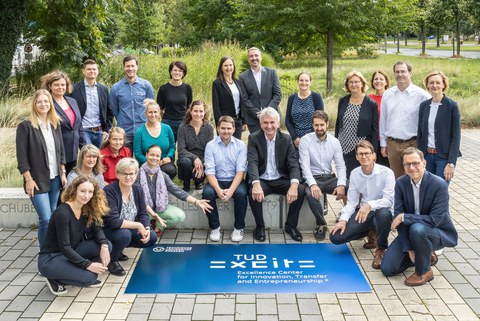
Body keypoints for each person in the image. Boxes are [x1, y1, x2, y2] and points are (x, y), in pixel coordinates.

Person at [381, 147, 458, 286]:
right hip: (411, 233)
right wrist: (409, 248)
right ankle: (424, 252)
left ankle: (424, 271)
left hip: (436, 232)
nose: (412, 167)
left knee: (418, 229)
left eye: (415, 163)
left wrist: (405, 217)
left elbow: (434, 220)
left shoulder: (439, 185)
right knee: (388, 269)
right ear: (403, 166)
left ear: (424, 163)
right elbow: (400, 219)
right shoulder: (401, 183)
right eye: (407, 164)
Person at [38, 175, 111, 295]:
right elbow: (64, 247)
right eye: (82, 191)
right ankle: (53, 277)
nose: (86, 196)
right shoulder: (62, 213)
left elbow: (97, 230)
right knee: (89, 278)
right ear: (74, 190)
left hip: (72, 251)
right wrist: (88, 265)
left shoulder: (86, 208)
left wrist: (104, 245)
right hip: (51, 258)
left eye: (90, 192)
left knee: (107, 245)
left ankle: (73, 271)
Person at [330, 140, 395, 269]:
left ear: (374, 156)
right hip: (365, 214)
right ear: (356, 157)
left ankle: (381, 249)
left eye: (367, 153)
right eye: (360, 154)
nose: (364, 156)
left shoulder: (387, 172)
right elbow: (352, 202)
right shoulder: (355, 173)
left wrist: (369, 205)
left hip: (383, 212)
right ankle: (370, 232)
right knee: (335, 238)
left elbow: (389, 200)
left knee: (382, 214)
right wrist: (343, 220)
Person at [16, 90, 67, 248]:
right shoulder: (26, 126)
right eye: (40, 102)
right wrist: (28, 179)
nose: (43, 104)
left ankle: (51, 249)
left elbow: (61, 151)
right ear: (34, 104)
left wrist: (63, 172)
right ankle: (45, 255)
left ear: (51, 103)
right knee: (45, 218)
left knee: (51, 216)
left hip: (55, 178)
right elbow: (22, 157)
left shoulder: (55, 123)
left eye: (46, 101)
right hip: (36, 180)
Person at [248, 107, 305, 242]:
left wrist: (294, 184)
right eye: (265, 123)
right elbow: (252, 162)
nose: (269, 126)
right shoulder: (254, 138)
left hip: (280, 178)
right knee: (252, 192)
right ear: (261, 124)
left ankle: (290, 226)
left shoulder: (285, 139)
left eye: (272, 122)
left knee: (301, 190)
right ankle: (260, 226)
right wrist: (255, 184)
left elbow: (293, 164)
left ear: (278, 123)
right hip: (263, 179)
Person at [137, 145, 212, 236]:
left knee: (179, 216)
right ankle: (147, 223)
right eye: (152, 155)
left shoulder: (163, 175)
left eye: (157, 156)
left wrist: (196, 201)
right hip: (143, 210)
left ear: (160, 157)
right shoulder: (137, 174)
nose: (154, 158)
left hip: (160, 208)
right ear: (146, 155)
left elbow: (176, 190)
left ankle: (157, 226)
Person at [103, 158, 158, 276]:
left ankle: (118, 248)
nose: (128, 177)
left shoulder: (137, 189)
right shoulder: (109, 191)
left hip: (127, 228)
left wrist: (147, 227)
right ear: (118, 174)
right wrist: (138, 225)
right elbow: (113, 221)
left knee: (152, 237)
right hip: (109, 229)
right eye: (124, 173)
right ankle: (112, 261)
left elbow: (143, 213)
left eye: (131, 173)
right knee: (124, 235)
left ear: (136, 174)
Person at [299, 111, 347, 240]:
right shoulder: (305, 140)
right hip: (312, 178)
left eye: (322, 125)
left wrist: (341, 185)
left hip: (328, 177)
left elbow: (340, 166)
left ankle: (348, 220)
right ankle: (321, 224)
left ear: (327, 124)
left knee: (351, 188)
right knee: (310, 194)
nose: (319, 128)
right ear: (312, 125)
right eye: (316, 125)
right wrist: (313, 184)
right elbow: (305, 166)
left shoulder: (334, 142)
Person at [380, 61, 431, 178]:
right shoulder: (388, 94)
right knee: (397, 180)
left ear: (410, 73)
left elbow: (428, 123)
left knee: (414, 178)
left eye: (403, 71)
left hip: (412, 144)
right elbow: (383, 120)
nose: (400, 74)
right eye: (397, 72)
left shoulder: (422, 95)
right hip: (392, 145)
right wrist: (383, 144)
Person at [202, 116, 248, 242]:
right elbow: (209, 171)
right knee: (207, 193)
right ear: (217, 129)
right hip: (217, 180)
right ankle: (215, 227)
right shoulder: (210, 146)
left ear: (234, 129)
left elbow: (241, 171)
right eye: (223, 128)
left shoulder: (241, 145)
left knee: (241, 193)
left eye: (229, 128)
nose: (226, 131)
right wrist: (217, 189)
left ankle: (238, 227)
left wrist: (231, 190)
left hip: (235, 180)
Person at [417, 71, 461, 182]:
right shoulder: (424, 106)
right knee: (427, 189)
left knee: (440, 190)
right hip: (427, 156)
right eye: (431, 83)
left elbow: (456, 136)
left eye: (438, 82)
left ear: (443, 85)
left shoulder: (452, 106)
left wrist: (451, 163)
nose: (434, 85)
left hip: (443, 157)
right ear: (427, 85)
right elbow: (420, 134)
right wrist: (420, 157)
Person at [41, 70, 86, 174]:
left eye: (63, 84)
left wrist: (84, 148)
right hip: (56, 153)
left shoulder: (72, 101)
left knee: (70, 186)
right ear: (49, 86)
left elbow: (78, 127)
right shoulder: (47, 104)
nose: (60, 87)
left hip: (73, 153)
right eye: (56, 85)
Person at [335, 71, 378, 178]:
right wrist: (335, 144)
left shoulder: (371, 103)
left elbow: (374, 129)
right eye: (351, 82)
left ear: (362, 84)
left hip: (360, 148)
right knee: (344, 177)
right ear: (347, 85)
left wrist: (373, 151)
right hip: (343, 147)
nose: (354, 84)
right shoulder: (343, 101)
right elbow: (338, 124)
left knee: (360, 177)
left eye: (357, 82)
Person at [109, 55, 154, 151]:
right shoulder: (115, 88)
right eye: (127, 66)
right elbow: (115, 110)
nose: (130, 69)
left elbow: (151, 108)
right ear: (123, 67)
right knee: (125, 162)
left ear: (137, 67)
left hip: (143, 130)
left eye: (132, 66)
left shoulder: (146, 85)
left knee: (144, 161)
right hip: (124, 132)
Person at [71, 59, 113, 148]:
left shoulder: (103, 89)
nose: (92, 71)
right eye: (89, 69)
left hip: (100, 131)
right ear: (83, 71)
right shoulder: (74, 89)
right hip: (84, 130)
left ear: (97, 71)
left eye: (94, 69)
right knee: (89, 156)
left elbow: (109, 111)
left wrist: (107, 130)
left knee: (99, 159)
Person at [239, 47, 282, 134]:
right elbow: (244, 99)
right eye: (251, 56)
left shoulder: (272, 73)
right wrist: (257, 114)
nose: (254, 58)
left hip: (272, 117)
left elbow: (278, 94)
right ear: (248, 59)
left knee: (275, 144)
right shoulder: (242, 76)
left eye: (256, 55)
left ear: (261, 57)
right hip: (254, 119)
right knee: (258, 145)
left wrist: (267, 111)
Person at [133, 99, 176, 179]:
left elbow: (172, 146)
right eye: (150, 112)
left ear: (159, 113)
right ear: (145, 114)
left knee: (170, 170)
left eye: (155, 112)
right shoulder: (140, 131)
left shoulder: (167, 128)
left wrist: (169, 157)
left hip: (164, 162)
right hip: (146, 163)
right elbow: (137, 153)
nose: (153, 115)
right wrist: (152, 162)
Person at [177, 101, 214, 191]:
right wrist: (195, 158)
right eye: (195, 111)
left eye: (201, 111)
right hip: (187, 159)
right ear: (190, 111)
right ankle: (186, 185)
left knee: (198, 177)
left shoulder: (209, 128)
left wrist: (201, 162)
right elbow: (181, 150)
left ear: (204, 112)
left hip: (203, 160)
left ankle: (199, 182)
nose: (198, 114)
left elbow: (210, 150)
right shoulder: (183, 127)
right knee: (185, 162)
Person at [285, 72, 324, 149]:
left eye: (306, 80)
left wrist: (308, 138)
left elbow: (321, 119)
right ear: (298, 82)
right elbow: (287, 120)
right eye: (301, 80)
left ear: (310, 82)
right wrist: (295, 138)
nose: (304, 83)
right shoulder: (292, 98)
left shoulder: (316, 97)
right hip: (296, 141)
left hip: (313, 139)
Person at [157, 61, 192, 141]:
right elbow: (160, 109)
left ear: (183, 74)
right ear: (170, 72)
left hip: (183, 122)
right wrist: (165, 120)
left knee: (183, 148)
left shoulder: (187, 88)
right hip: (168, 122)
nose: (177, 73)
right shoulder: (163, 88)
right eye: (175, 70)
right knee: (168, 149)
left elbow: (189, 107)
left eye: (180, 71)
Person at [212, 56, 243, 139]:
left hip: (237, 121)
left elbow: (242, 102)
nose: (228, 68)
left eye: (230, 65)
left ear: (233, 66)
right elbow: (216, 106)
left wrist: (244, 121)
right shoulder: (217, 83)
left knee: (236, 147)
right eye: (225, 65)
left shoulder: (238, 82)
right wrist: (219, 123)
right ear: (221, 68)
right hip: (224, 122)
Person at [368, 70, 390, 167]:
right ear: (372, 82)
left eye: (381, 79)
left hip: (387, 139)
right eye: (376, 79)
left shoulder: (390, 97)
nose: (378, 81)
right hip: (372, 139)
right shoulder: (368, 98)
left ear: (386, 82)